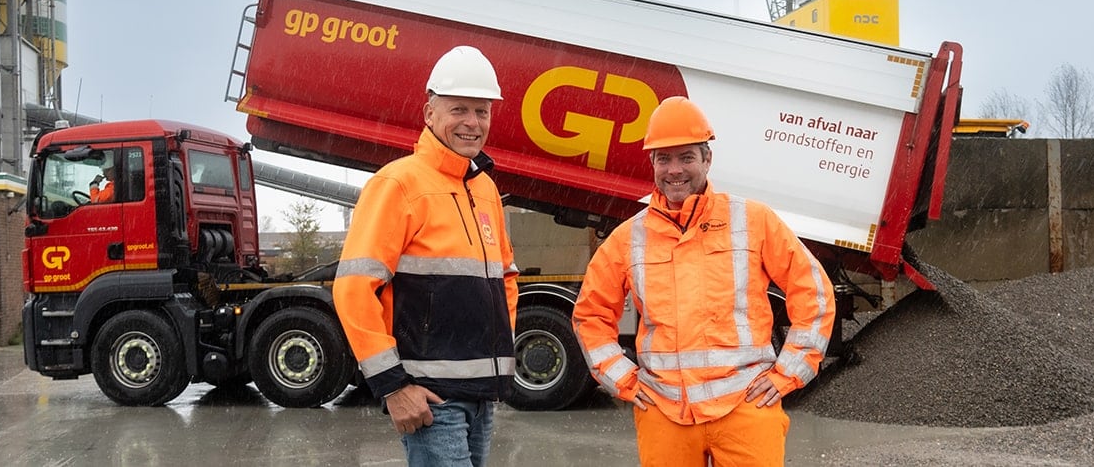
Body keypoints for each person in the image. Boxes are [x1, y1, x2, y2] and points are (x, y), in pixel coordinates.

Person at [572, 96, 836, 467]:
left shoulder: (752, 220)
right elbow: (590, 316)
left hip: (746, 405)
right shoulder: (628, 238)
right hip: (664, 409)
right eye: (664, 158)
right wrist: (625, 380)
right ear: (652, 164)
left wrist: (786, 374)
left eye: (686, 157)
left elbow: (815, 294)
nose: (674, 170)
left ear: (707, 160)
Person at [333, 45, 519, 467]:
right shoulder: (398, 184)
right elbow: (353, 289)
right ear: (429, 113)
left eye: (482, 111)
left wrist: (496, 357)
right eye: (459, 110)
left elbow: (505, 280)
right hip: (432, 398)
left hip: (482, 397)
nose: (472, 123)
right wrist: (393, 387)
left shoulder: (485, 189)